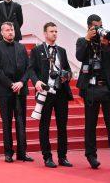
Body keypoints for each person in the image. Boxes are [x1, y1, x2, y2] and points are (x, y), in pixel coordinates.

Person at [75, 15, 110, 170]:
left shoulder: (107, 42)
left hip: (108, 89)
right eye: (96, 26)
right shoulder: (83, 41)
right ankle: (91, 156)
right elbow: (80, 56)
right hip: (91, 89)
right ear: (90, 27)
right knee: (91, 125)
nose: (100, 29)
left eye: (101, 25)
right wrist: (88, 39)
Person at [27, 22, 73, 168]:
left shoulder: (62, 51)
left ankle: (62, 157)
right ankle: (47, 156)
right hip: (45, 91)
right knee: (44, 125)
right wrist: (36, 82)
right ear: (45, 34)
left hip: (61, 92)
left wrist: (67, 75)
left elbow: (68, 70)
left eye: (56, 31)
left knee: (62, 126)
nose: (54, 34)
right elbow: (31, 70)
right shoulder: (37, 50)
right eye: (52, 31)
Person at [0, 21, 32, 163]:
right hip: (4, 91)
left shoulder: (21, 47)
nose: (10, 32)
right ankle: (8, 153)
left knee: (21, 122)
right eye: (7, 30)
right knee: (6, 122)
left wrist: (21, 82)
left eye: (12, 29)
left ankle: (22, 153)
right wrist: (11, 84)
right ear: (2, 33)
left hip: (21, 89)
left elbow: (29, 68)